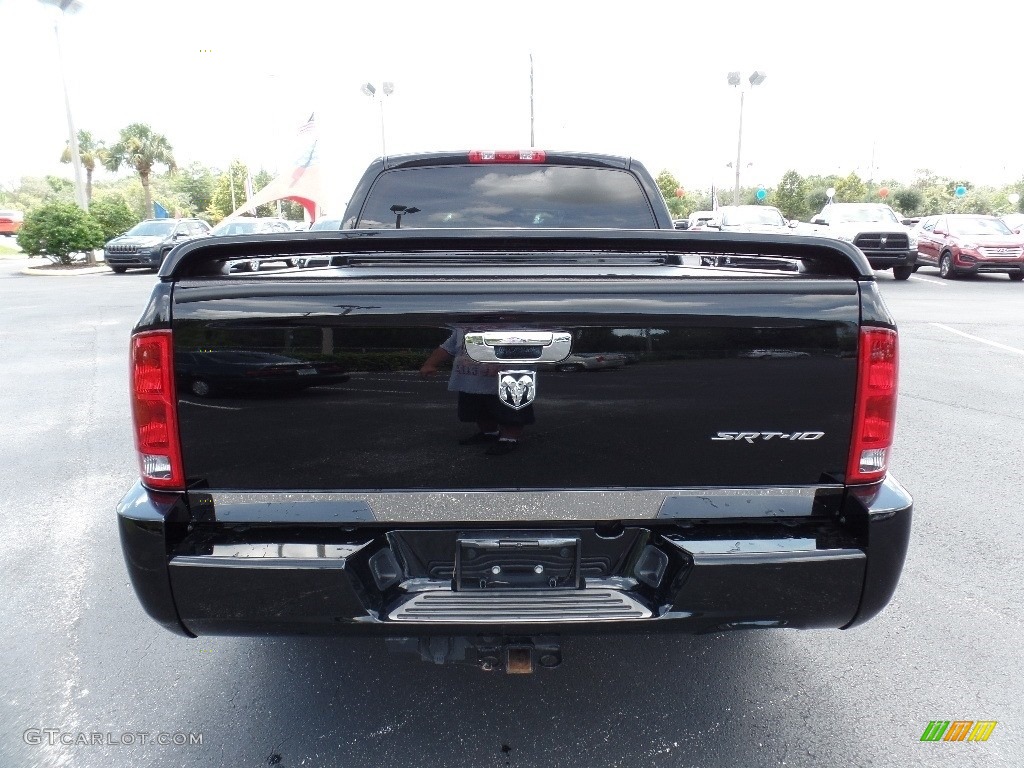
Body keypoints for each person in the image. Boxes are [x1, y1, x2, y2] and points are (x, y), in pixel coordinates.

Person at [420, 328, 535, 456]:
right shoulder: (463, 328)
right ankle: (489, 433)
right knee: (478, 410)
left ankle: (509, 438)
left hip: (508, 381)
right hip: (471, 380)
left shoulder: (519, 326)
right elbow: (447, 348)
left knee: (511, 411)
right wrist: (430, 363)